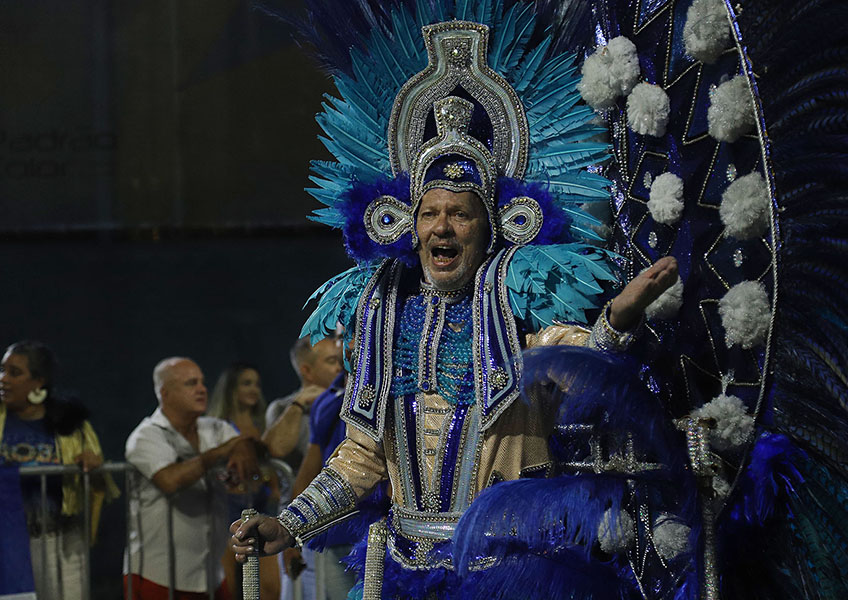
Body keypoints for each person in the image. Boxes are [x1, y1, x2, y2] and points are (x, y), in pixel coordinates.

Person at [230, 17, 678, 598]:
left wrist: (618, 318)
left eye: (460, 214)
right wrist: (286, 525)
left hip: (512, 573)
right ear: (410, 227)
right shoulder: (382, 312)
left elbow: (578, 361)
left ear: (489, 228)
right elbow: (358, 461)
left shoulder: (520, 305)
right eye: (429, 213)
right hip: (403, 573)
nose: (442, 226)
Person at [124, 357, 257, 600]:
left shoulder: (215, 429)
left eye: (202, 383)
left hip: (210, 576)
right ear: (165, 393)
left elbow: (245, 450)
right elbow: (170, 481)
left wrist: (242, 446)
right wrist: (221, 452)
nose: (202, 389)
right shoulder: (146, 436)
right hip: (157, 576)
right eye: (190, 384)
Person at [0, 340, 118, 600]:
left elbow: (100, 488)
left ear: (38, 382)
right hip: (7, 542)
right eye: (2, 370)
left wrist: (95, 467)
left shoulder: (70, 425)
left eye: (14, 373)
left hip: (61, 543)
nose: (3, 379)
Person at [262, 335, 343, 600]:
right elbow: (273, 449)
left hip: (341, 523)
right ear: (306, 370)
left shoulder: (348, 403)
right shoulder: (285, 407)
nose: (339, 366)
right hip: (299, 523)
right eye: (331, 361)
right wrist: (301, 404)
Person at [208, 363, 281, 600]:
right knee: (227, 586)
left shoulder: (263, 423)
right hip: (228, 507)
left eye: (257, 384)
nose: (254, 390)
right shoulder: (217, 427)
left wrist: (275, 489)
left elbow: (273, 464)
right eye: (246, 383)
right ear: (231, 389)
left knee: (271, 587)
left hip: (262, 504)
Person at [289, 372, 358, 600]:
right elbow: (311, 467)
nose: (349, 342)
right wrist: (290, 528)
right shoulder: (327, 400)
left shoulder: (393, 388)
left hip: (382, 536)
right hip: (335, 537)